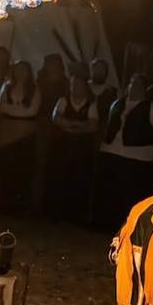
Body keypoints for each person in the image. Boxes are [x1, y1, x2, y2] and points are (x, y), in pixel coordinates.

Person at [99, 73, 153, 225]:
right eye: (132, 83)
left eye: (138, 84)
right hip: (112, 152)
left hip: (137, 158)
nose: (134, 87)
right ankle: (105, 223)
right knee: (110, 193)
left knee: (130, 196)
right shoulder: (118, 103)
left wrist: (148, 144)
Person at [0, 60, 42, 211]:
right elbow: (2, 105)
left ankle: (17, 207)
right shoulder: (7, 86)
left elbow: (33, 110)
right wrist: (18, 109)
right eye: (18, 70)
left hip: (25, 132)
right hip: (7, 131)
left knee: (20, 168)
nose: (21, 73)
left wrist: (13, 109)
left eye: (24, 70)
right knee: (4, 166)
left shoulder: (34, 89)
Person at [47, 68, 99, 221]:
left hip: (81, 149)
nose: (77, 88)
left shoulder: (91, 104)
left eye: (80, 85)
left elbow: (94, 125)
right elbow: (56, 118)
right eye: (74, 85)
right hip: (62, 146)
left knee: (78, 179)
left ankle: (74, 215)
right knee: (59, 177)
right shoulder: (63, 100)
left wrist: (69, 125)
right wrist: (78, 125)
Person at [88, 57, 118, 132]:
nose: (99, 72)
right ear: (92, 70)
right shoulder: (84, 87)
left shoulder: (111, 92)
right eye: (97, 68)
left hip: (102, 131)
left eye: (101, 69)